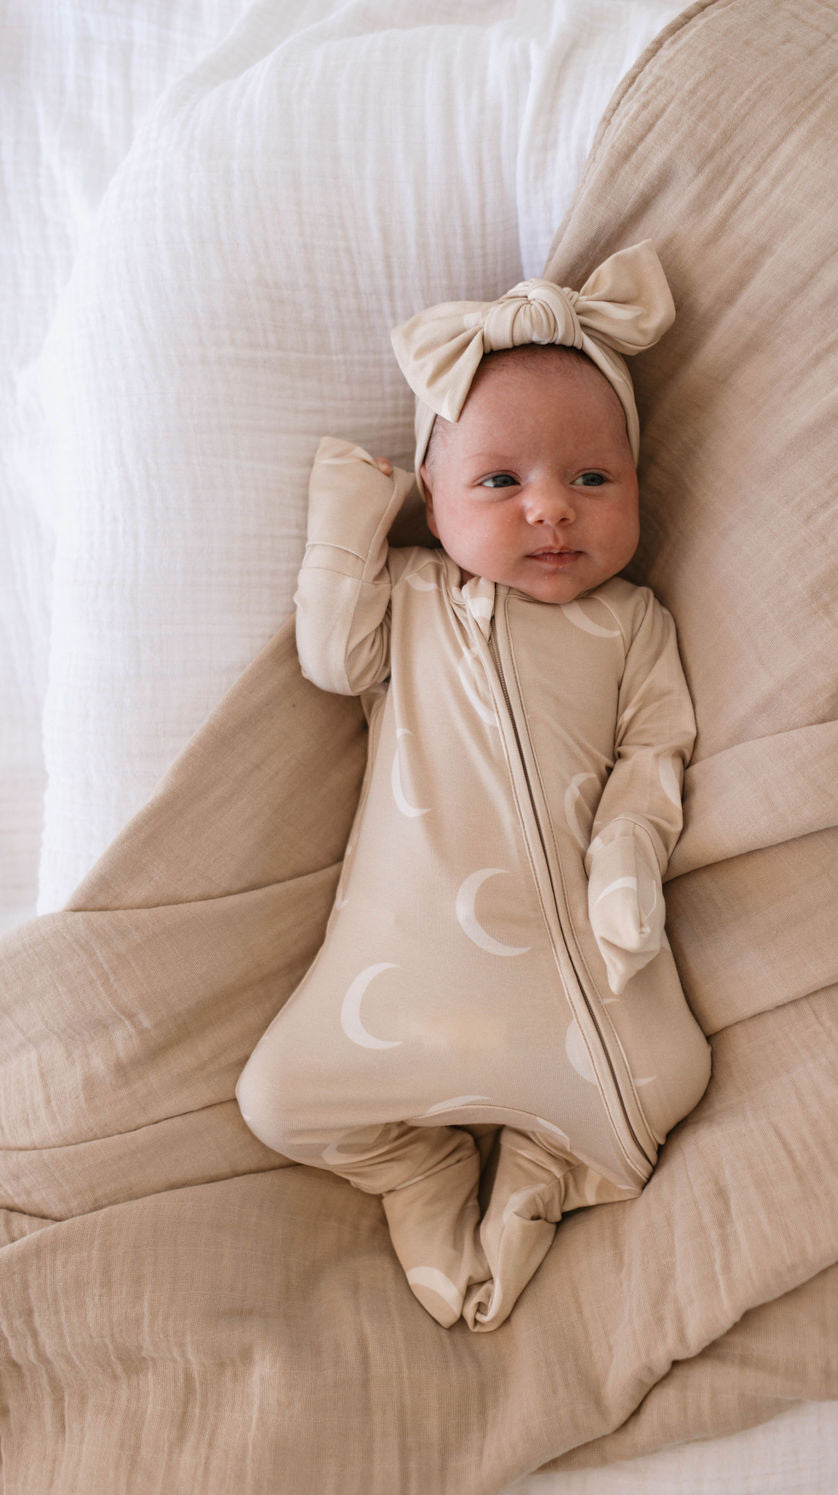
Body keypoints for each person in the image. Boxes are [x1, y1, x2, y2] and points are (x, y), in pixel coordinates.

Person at [235, 241, 711, 1331]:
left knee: (667, 1082)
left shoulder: (633, 622)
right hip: (406, 977)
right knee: (276, 1099)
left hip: (578, 969)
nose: (551, 509)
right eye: (501, 481)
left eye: (593, 478)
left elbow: (655, 751)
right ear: (435, 505)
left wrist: (628, 854)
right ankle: (419, 1169)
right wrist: (347, 527)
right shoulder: (409, 599)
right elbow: (329, 657)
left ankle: (541, 1163)